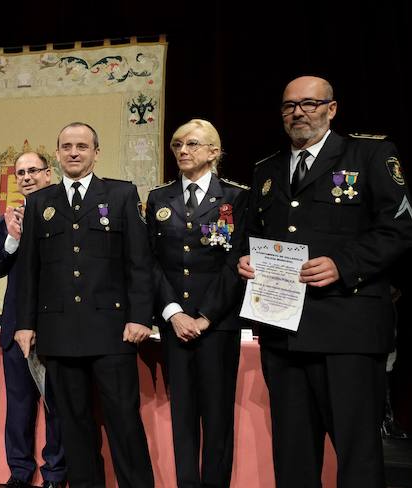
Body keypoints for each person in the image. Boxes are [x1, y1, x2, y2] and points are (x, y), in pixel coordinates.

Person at [237, 75, 412, 487]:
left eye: (310, 104)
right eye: (289, 105)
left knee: (357, 456)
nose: (298, 112)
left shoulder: (369, 154)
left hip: (347, 331)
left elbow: (399, 227)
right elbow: (252, 237)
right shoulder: (267, 170)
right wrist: (246, 260)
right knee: (293, 457)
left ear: (331, 109)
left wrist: (343, 264)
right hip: (284, 333)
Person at [15, 122, 155, 488]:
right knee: (74, 426)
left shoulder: (122, 195)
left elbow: (139, 262)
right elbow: (30, 269)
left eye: (82, 146)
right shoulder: (39, 203)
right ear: (57, 154)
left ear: (96, 152)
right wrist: (25, 323)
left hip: (112, 332)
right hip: (59, 334)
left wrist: (140, 316)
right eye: (66, 146)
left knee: (124, 422)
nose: (73, 152)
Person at [145, 119, 248, 487]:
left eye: (191, 144)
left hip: (217, 325)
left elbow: (238, 262)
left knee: (218, 417)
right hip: (175, 324)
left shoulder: (236, 197)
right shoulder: (160, 197)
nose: (182, 151)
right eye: (177, 145)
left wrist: (204, 316)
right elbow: (151, 261)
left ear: (213, 152)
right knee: (182, 415)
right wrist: (173, 313)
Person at [0, 152, 66, 488]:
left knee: (57, 408)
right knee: (18, 410)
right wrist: (12, 238)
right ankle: (19, 473)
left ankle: (54, 474)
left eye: (33, 171)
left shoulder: (64, 213)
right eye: (20, 173)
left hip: (54, 328)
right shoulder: (9, 219)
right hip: (13, 329)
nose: (26, 177)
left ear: (48, 174)